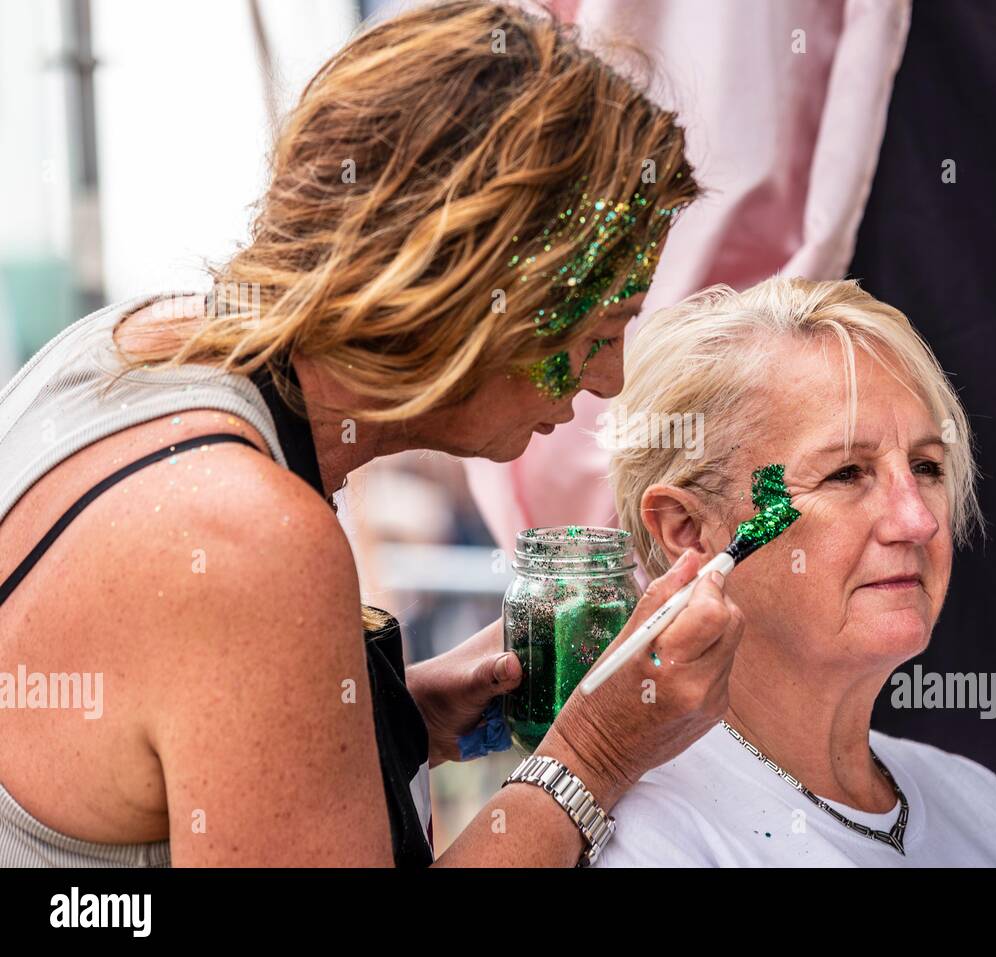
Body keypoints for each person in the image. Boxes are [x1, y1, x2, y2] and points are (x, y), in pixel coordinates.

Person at [0, 0, 744, 867]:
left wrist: (397, 715)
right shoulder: (248, 542)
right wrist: (595, 753)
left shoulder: (133, 347)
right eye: (601, 330)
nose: (609, 378)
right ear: (466, 300)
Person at [596, 277, 996, 866]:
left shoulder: (973, 796)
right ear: (687, 530)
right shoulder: (641, 837)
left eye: (927, 467)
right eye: (846, 473)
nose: (918, 521)